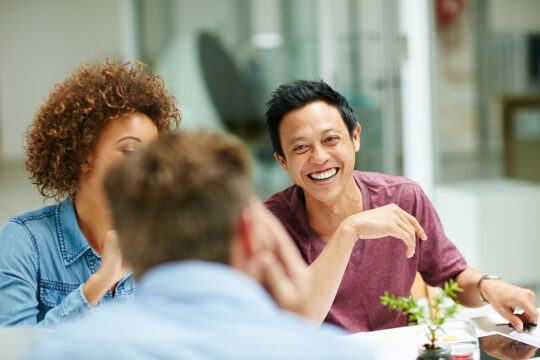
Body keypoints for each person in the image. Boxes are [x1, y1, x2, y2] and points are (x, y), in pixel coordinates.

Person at [25, 132, 375, 360]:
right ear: (252, 234)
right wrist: (297, 336)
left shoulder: (60, 350)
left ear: (125, 249)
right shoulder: (330, 354)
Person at [264, 79, 538, 333]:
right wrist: (349, 231)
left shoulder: (403, 198)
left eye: (330, 139)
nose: (320, 157)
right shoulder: (270, 224)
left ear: (355, 137)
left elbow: (451, 276)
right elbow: (299, 321)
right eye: (300, 148)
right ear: (282, 161)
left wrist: (489, 287)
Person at [0, 59, 180, 326]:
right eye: (130, 151)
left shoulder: (164, 244)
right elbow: (15, 353)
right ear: (85, 157)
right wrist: (97, 285)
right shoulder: (25, 241)